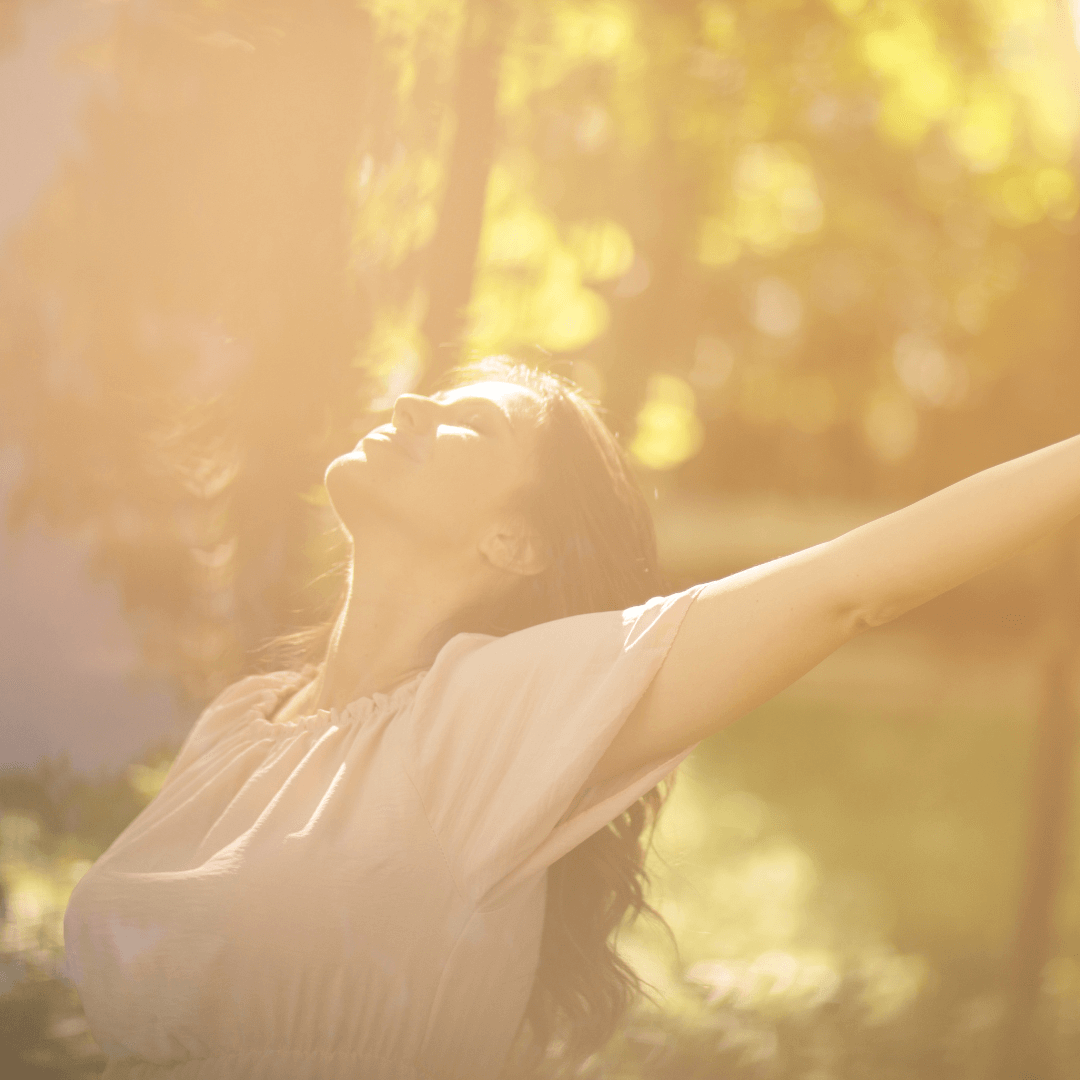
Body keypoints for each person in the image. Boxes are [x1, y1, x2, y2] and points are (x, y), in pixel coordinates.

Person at [63, 356, 1080, 1080]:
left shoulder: (494, 718)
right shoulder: (243, 723)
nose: (413, 400)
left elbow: (848, 589)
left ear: (517, 543)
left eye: (476, 421)